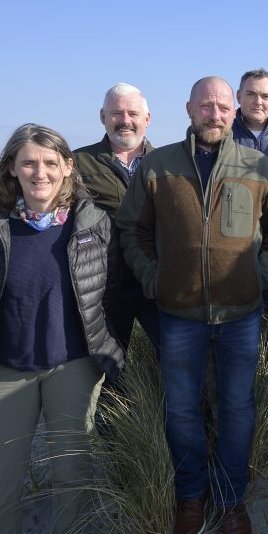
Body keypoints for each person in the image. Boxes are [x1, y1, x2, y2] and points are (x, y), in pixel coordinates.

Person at [117, 76, 268, 534]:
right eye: (205, 106)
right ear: (189, 109)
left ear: (233, 111)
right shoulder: (158, 166)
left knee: (238, 408)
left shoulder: (257, 165)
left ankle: (231, 498)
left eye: (222, 106)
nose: (214, 114)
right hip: (178, 313)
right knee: (182, 408)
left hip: (241, 313)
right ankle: (191, 496)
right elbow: (131, 229)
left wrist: (261, 274)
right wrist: (153, 278)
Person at [0, 124, 125, 534]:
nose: (40, 172)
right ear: (11, 168)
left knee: (73, 474)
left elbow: (108, 292)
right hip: (3, 370)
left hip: (72, 367)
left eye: (51, 163)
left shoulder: (92, 224)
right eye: (29, 162)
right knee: (0, 484)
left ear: (68, 167)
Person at [74, 82, 160, 350]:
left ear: (147, 119)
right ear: (103, 117)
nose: (125, 121)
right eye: (116, 113)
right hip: (105, 284)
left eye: (133, 114)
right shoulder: (76, 163)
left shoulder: (168, 162)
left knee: (173, 355)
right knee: (109, 361)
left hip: (154, 278)